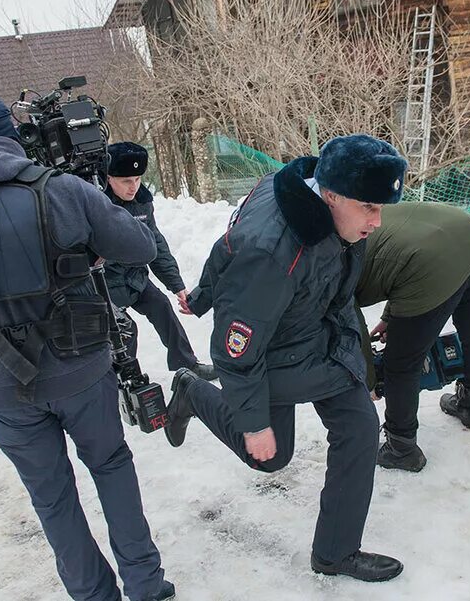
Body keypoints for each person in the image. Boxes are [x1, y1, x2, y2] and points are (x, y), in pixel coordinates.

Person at [0, 88, 175, 601]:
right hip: (80, 369)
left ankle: (93, 595)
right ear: (8, 130)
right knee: (111, 465)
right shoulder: (59, 189)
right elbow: (139, 246)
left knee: (51, 498)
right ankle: (145, 585)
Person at [169, 134, 407, 582]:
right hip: (268, 355)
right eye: (369, 208)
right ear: (331, 194)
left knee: (358, 425)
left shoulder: (315, 198)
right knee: (268, 457)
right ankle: (192, 391)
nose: (377, 221)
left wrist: (203, 292)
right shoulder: (272, 250)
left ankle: (335, 553)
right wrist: (255, 425)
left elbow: (227, 244)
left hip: (313, 332)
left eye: (381, 208)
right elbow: (234, 351)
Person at [356, 202, 470, 472]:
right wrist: (390, 317)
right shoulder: (358, 215)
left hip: (428, 263)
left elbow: (354, 329)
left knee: (401, 363)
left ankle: (401, 448)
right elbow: (398, 254)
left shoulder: (324, 266)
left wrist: (369, 379)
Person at [102, 141, 215, 380]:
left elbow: (156, 246)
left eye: (137, 179)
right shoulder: (96, 203)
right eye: (126, 181)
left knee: (162, 306)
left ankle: (187, 364)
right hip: (104, 284)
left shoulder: (142, 201)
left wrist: (178, 286)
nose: (133, 187)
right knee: (125, 330)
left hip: (135, 278)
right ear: (109, 178)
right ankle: (124, 380)